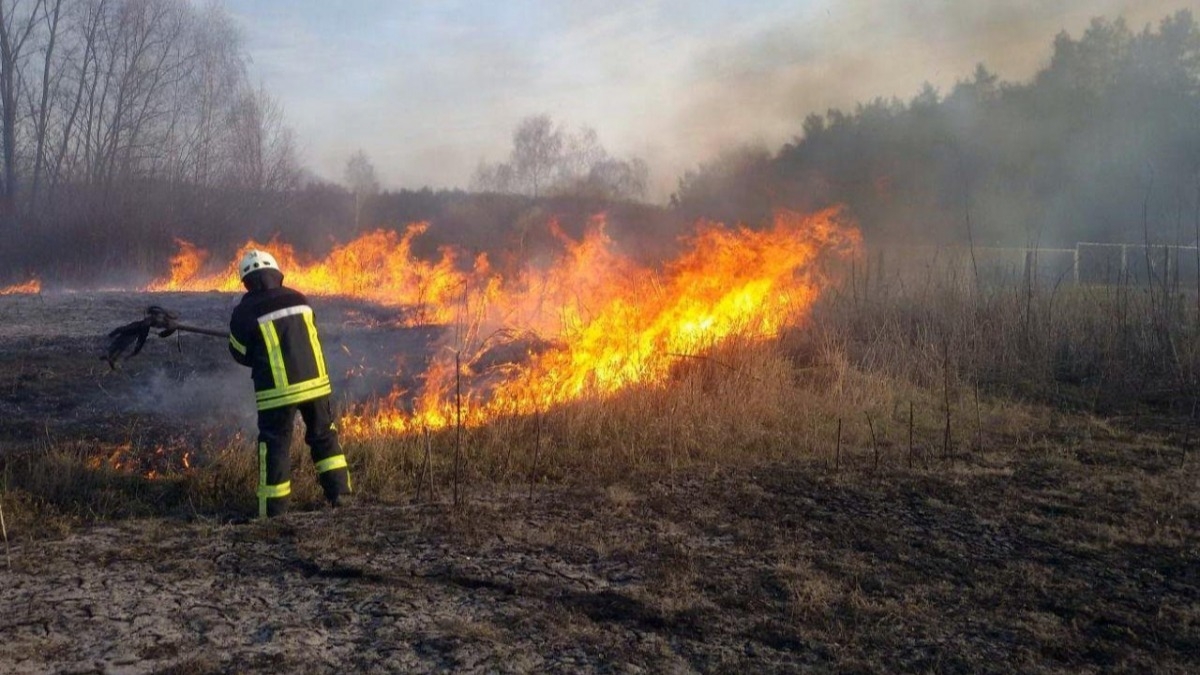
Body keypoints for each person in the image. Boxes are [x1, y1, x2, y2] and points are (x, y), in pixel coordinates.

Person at [228, 249, 351, 517]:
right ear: (276, 274)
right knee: (323, 435)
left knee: (275, 445)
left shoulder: (245, 310)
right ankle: (340, 494)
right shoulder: (300, 299)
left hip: (277, 390)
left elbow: (239, 352)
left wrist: (260, 353)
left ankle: (273, 511)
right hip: (316, 381)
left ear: (247, 281)